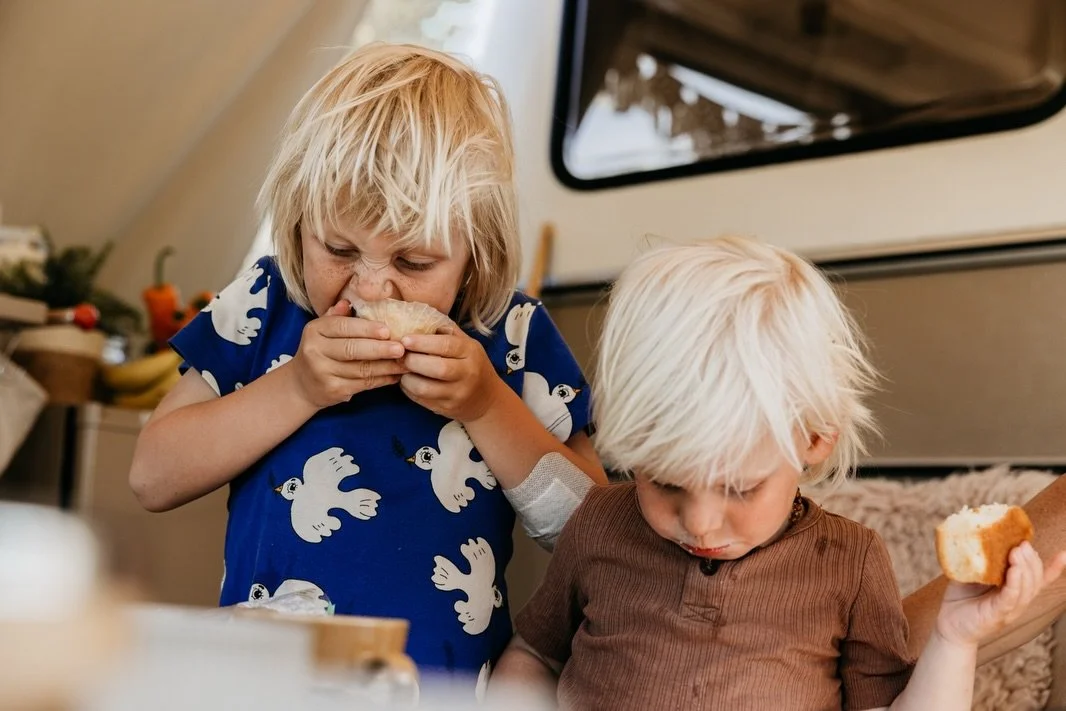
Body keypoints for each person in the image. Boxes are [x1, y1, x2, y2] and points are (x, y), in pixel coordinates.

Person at [128, 42, 605, 686]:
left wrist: (487, 404)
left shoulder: (511, 337)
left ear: (476, 251)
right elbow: (152, 476)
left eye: (413, 262)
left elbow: (597, 537)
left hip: (442, 690)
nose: (371, 288)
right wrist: (297, 387)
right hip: (269, 687)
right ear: (298, 224)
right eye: (339, 249)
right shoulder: (267, 304)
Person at [490, 236, 1066, 710]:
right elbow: (536, 653)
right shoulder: (599, 524)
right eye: (664, 482)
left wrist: (954, 640)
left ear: (815, 440)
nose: (701, 524)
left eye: (739, 488)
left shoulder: (850, 561)